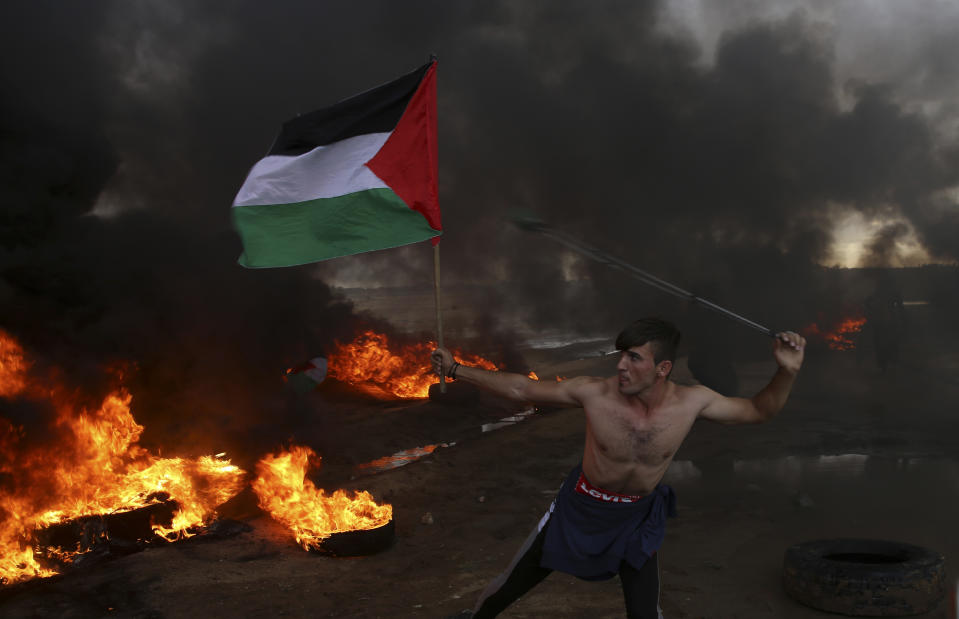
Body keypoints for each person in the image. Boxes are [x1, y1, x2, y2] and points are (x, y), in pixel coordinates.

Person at [431, 317, 805, 619]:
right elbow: (521, 390)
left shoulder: (692, 402)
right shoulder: (594, 392)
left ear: (663, 368)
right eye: (621, 354)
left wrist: (786, 372)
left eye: (634, 358)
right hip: (579, 509)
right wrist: (457, 369)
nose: (620, 365)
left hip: (635, 519)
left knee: (645, 612)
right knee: (508, 587)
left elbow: (759, 411)